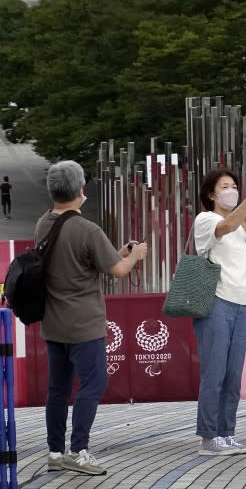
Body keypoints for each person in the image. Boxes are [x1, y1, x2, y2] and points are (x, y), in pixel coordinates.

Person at [39, 161, 148, 475]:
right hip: (84, 323)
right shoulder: (87, 229)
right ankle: (79, 449)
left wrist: (119, 252)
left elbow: (80, 261)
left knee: (57, 388)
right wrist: (135, 255)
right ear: (80, 190)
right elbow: (117, 270)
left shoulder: (43, 224)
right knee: (93, 383)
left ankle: (56, 452)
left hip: (53, 322)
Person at [192, 167, 246, 455]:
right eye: (225, 187)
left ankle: (226, 433)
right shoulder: (206, 219)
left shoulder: (240, 224)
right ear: (212, 194)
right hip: (215, 302)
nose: (232, 190)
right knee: (214, 373)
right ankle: (208, 436)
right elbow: (222, 229)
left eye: (234, 186)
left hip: (242, 303)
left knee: (233, 375)